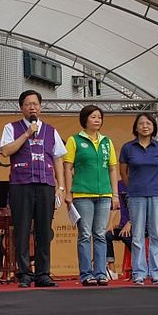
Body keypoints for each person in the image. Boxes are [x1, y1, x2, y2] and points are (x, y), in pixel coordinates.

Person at [0, 90, 66, 288]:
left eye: (35, 104)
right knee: (22, 230)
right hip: (21, 184)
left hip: (46, 185)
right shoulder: (11, 128)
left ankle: (43, 274)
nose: (32, 107)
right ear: (21, 108)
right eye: (28, 104)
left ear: (40, 107)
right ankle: (25, 274)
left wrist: (61, 187)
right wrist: (27, 134)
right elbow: (5, 151)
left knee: (44, 231)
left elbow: (58, 158)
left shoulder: (51, 130)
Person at [64, 105, 119, 286]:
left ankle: (101, 273)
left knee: (101, 234)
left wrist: (115, 194)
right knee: (85, 234)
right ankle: (86, 274)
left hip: (104, 194)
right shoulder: (74, 140)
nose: (97, 120)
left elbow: (112, 169)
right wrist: (68, 192)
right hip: (82, 194)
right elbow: (67, 167)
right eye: (93, 117)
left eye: (99, 117)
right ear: (85, 119)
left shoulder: (106, 142)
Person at [119, 113, 158, 285]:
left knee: (156, 235)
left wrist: (155, 183)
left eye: (148, 123)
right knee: (138, 235)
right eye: (141, 123)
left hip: (156, 194)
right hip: (135, 195)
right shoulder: (128, 148)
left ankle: (156, 273)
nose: (145, 126)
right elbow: (123, 172)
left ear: (154, 127)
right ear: (136, 127)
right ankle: (139, 273)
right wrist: (133, 186)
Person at [106, 181, 132, 279]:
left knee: (125, 236)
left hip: (138, 225)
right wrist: (110, 224)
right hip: (122, 226)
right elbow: (116, 207)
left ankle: (138, 266)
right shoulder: (119, 185)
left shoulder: (138, 183)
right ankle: (112, 270)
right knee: (107, 235)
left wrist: (130, 222)